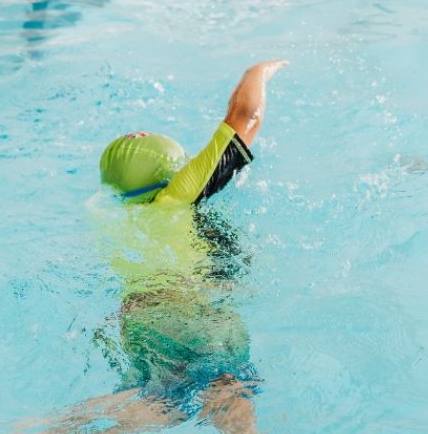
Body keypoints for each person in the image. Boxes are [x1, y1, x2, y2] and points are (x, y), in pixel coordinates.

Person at [24, 60, 287, 434]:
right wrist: (259, 71)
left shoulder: (106, 213)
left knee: (162, 401)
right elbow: (246, 117)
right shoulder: (175, 199)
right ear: (171, 176)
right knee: (229, 386)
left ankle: (56, 425)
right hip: (189, 309)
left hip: (136, 319)